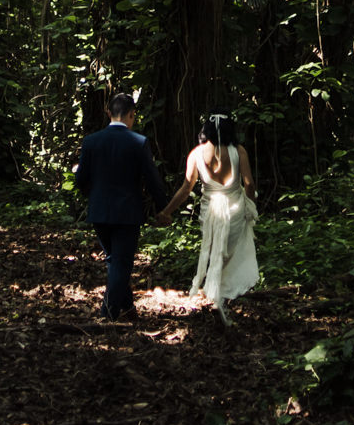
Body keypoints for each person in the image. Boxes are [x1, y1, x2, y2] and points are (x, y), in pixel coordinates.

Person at [73, 93, 170, 320]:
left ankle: (127, 308)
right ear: (131, 114)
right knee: (121, 262)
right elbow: (152, 179)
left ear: (109, 113)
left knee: (114, 260)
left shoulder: (91, 141)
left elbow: (80, 181)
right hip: (127, 212)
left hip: (99, 212)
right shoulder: (138, 142)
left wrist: (95, 195)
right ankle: (108, 313)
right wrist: (163, 208)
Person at [157, 113, 258, 324]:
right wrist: (250, 205)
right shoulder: (239, 152)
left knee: (215, 254)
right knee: (231, 255)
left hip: (210, 212)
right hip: (234, 211)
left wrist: (167, 211)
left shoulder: (196, 154)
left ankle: (216, 298)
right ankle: (221, 298)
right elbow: (248, 184)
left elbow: (186, 188)